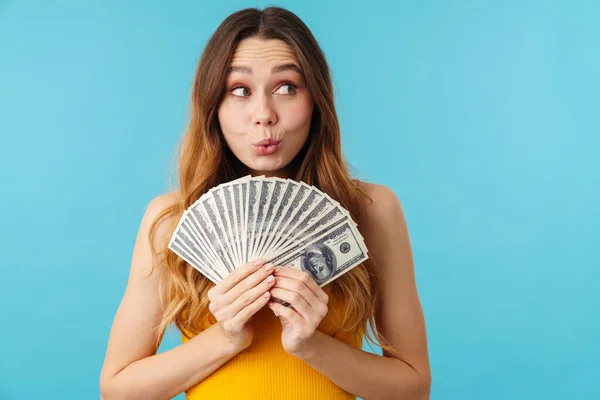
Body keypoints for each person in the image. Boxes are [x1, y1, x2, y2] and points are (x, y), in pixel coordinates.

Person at [99, 6, 431, 400]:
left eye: (287, 87)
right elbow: (117, 390)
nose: (264, 116)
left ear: (316, 100)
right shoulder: (172, 219)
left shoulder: (372, 210)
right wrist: (224, 338)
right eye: (240, 90)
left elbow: (413, 387)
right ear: (213, 106)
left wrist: (311, 346)